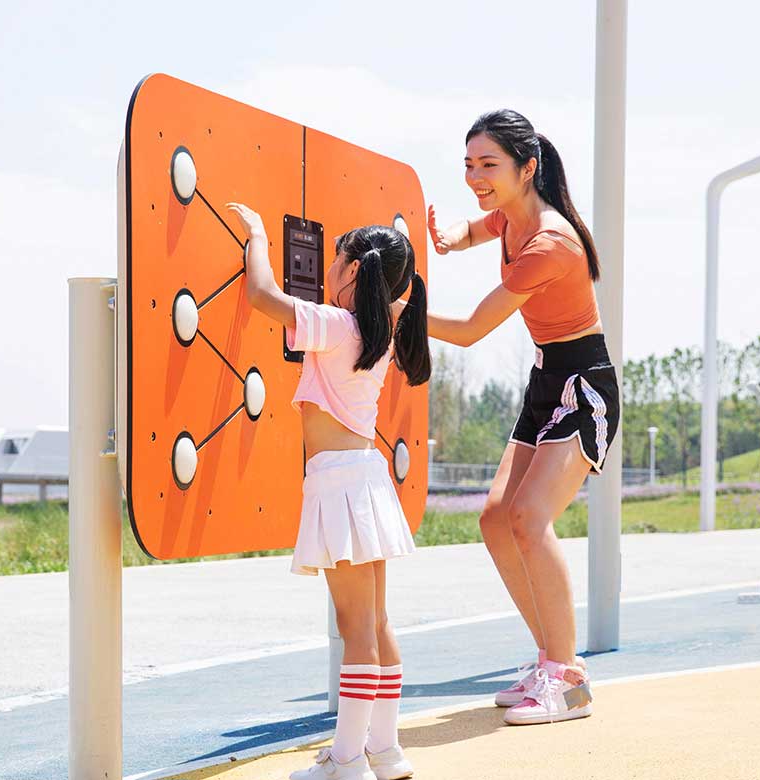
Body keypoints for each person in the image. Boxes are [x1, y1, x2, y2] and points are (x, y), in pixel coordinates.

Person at [422, 109, 619, 726]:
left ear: (527, 168)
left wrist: (395, 310)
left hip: (583, 385)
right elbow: (478, 228)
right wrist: (450, 236)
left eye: (489, 165)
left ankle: (568, 680)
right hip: (545, 379)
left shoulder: (550, 242)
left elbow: (471, 330)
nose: (475, 177)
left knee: (530, 519)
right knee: (494, 519)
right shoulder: (510, 216)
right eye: (469, 165)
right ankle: (553, 659)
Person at [225, 203, 430, 780]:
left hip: (340, 483)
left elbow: (262, 295)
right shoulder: (379, 330)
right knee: (377, 624)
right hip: (365, 479)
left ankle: (346, 760)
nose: (327, 271)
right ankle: (384, 751)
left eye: (335, 261)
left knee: (356, 629)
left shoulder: (339, 326)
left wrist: (258, 234)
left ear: (354, 271)